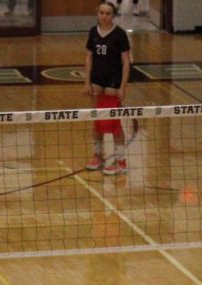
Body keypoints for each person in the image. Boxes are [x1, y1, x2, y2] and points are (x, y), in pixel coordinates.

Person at [83, 2, 132, 176]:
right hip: (97, 81)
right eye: (101, 13)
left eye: (108, 13)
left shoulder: (119, 35)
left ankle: (121, 161)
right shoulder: (92, 32)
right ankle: (98, 155)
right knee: (97, 120)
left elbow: (126, 61)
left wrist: (123, 87)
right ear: (97, 14)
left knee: (114, 123)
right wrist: (86, 82)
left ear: (113, 16)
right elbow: (89, 58)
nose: (104, 16)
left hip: (113, 82)